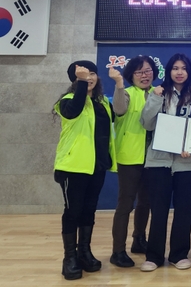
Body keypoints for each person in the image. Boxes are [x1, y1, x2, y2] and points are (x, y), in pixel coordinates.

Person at [139, 53, 191, 272]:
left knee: (184, 211)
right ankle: (154, 256)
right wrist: (155, 98)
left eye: (184, 68)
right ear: (168, 71)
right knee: (158, 211)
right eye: (175, 68)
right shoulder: (158, 93)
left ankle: (179, 254)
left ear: (189, 72)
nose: (179, 72)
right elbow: (147, 124)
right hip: (159, 161)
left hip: (188, 162)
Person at [53, 60, 117, 280]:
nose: (89, 78)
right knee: (73, 211)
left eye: (92, 73)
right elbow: (73, 112)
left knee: (89, 210)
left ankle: (84, 252)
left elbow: (117, 117)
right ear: (75, 79)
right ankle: (69, 258)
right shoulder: (66, 101)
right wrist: (81, 84)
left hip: (97, 166)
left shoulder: (102, 103)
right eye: (82, 75)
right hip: (73, 167)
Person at [110, 56, 155, 268]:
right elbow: (119, 110)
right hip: (129, 157)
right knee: (125, 204)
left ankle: (139, 239)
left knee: (145, 202)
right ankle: (118, 250)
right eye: (139, 72)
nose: (144, 75)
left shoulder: (159, 93)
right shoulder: (126, 93)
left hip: (153, 157)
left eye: (148, 71)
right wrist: (119, 84)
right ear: (131, 75)